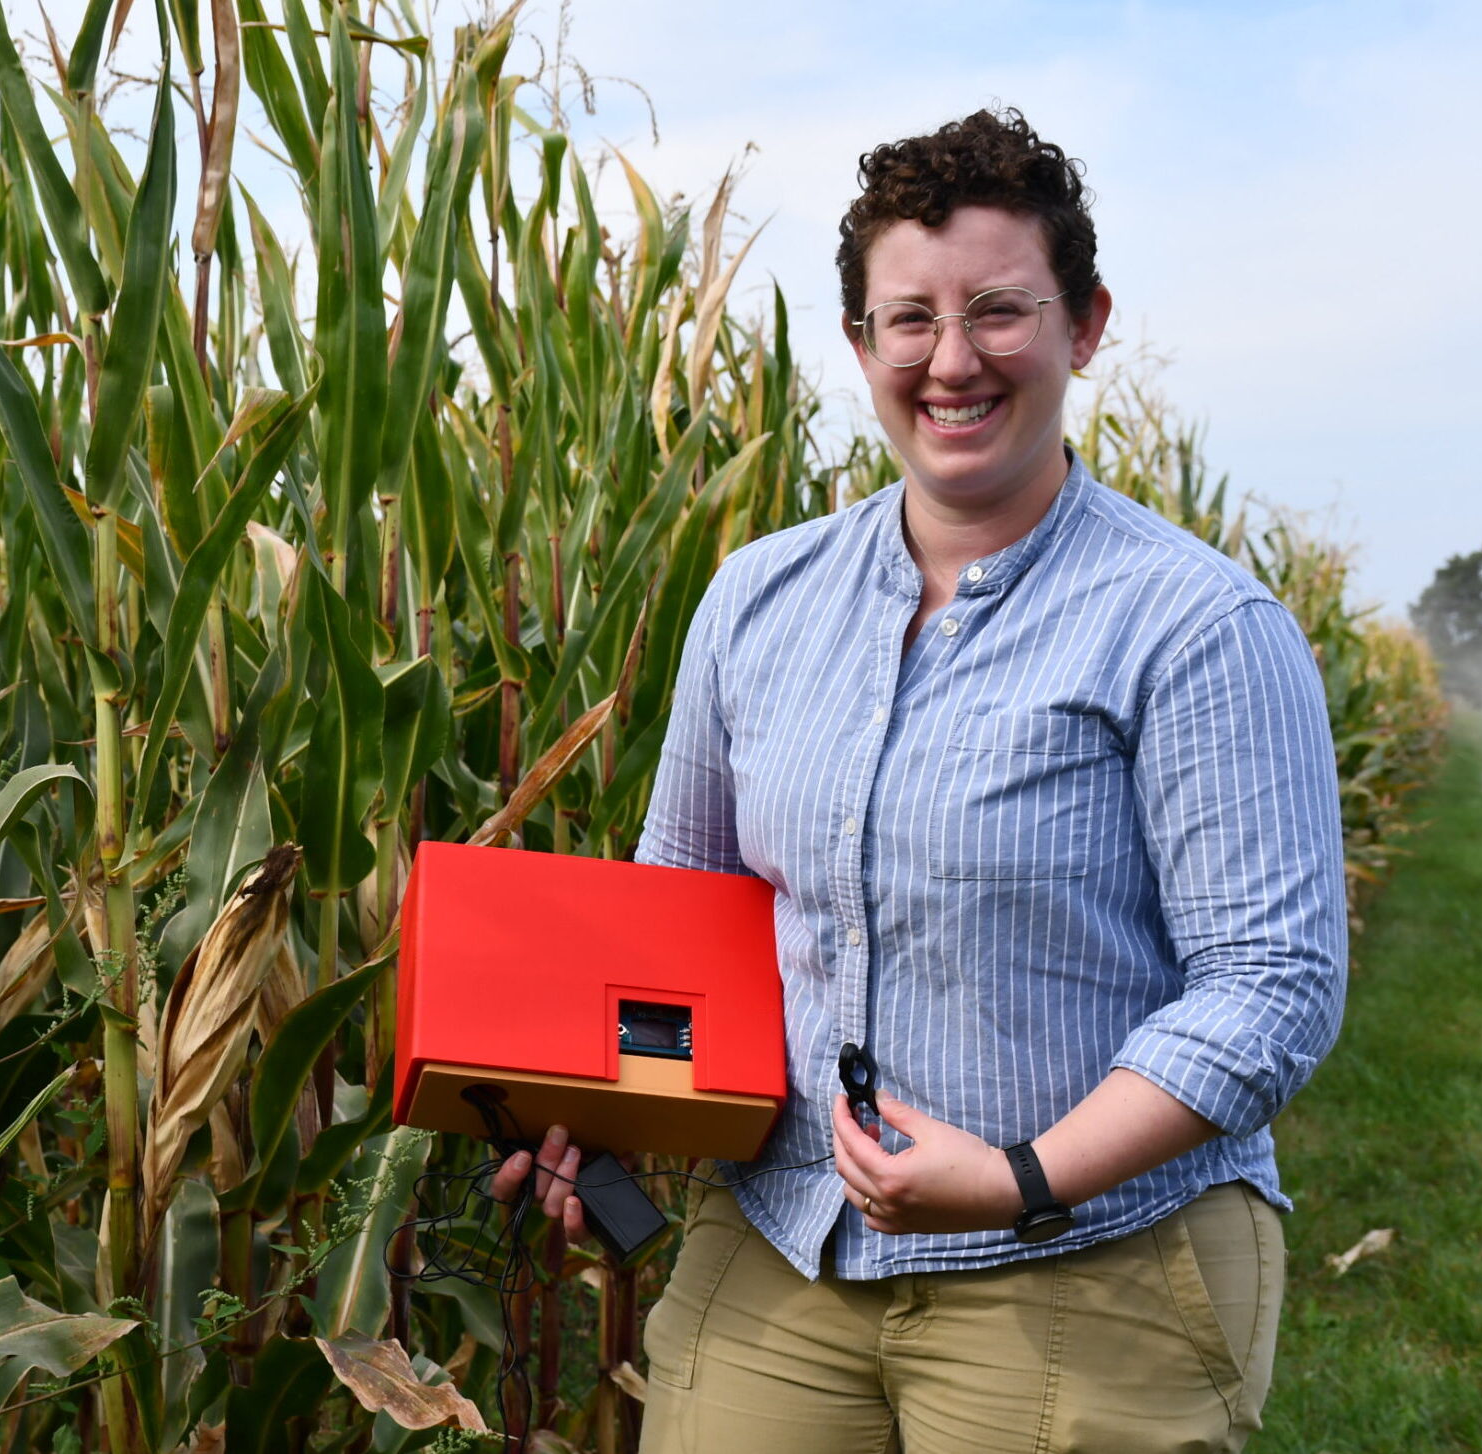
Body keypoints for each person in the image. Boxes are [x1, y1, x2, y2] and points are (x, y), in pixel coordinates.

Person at [490, 108, 1346, 1453]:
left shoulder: (1193, 625)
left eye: (1000, 310)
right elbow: (684, 903)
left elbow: (1270, 985)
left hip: (1092, 1252)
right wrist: (602, 1106)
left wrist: (1019, 1176)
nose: (953, 360)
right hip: (784, 1235)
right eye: (910, 320)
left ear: (1085, 324)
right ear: (860, 344)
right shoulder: (757, 599)